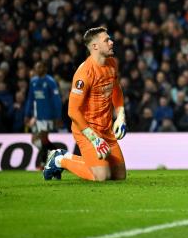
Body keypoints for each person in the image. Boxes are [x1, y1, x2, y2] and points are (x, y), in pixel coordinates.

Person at [42, 27, 128, 181]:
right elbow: (73, 111)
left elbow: (116, 89)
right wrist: (95, 139)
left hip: (106, 128)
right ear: (95, 46)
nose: (111, 42)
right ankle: (60, 158)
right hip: (87, 130)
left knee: (119, 176)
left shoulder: (111, 63)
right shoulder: (84, 74)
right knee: (102, 176)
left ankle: (72, 159)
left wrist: (121, 115)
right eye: (106, 40)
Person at [24, 62, 63, 169]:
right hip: (39, 116)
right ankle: (59, 155)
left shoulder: (50, 81)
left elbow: (57, 100)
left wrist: (58, 116)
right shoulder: (33, 82)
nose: (37, 69)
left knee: (42, 138)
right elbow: (30, 99)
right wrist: (27, 114)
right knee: (38, 140)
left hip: (49, 116)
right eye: (36, 67)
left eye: (40, 67)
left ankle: (42, 163)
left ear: (45, 68)